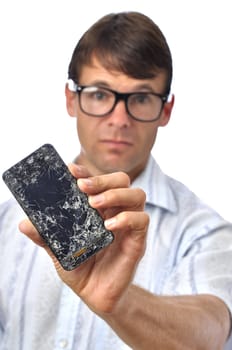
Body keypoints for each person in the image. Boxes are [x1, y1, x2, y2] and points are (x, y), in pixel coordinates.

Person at [1, 11, 232, 350]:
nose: (119, 119)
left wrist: (120, 303)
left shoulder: (204, 233)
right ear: (71, 99)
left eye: (140, 98)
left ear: (165, 111)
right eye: (99, 94)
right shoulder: (6, 224)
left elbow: (210, 332)